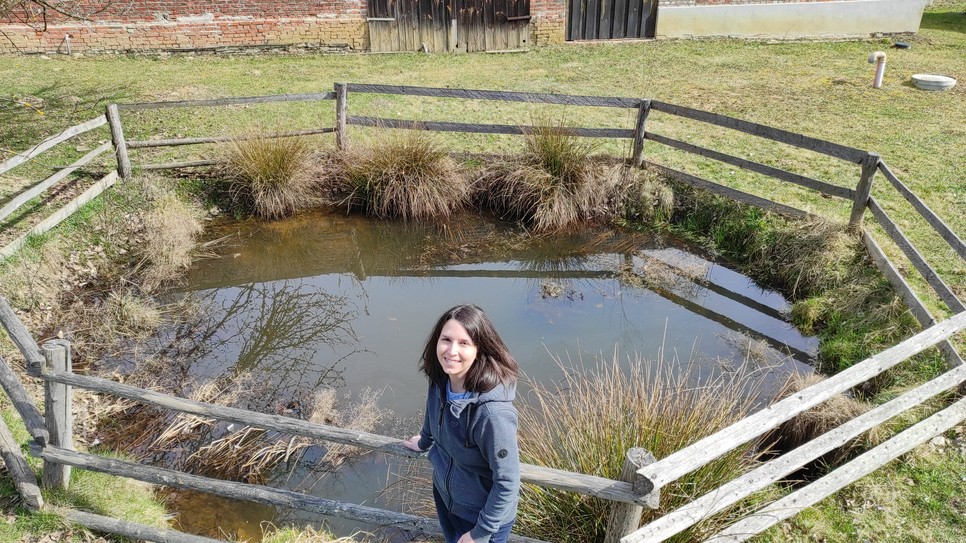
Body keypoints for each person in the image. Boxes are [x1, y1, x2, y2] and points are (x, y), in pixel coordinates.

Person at [402, 304, 521, 543]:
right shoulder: (440, 381)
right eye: (446, 339)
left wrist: (479, 533)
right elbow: (432, 414)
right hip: (448, 500)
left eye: (464, 343)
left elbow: (507, 482)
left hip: (483, 519)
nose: (451, 351)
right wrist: (424, 441)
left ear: (480, 349)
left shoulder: (492, 414)